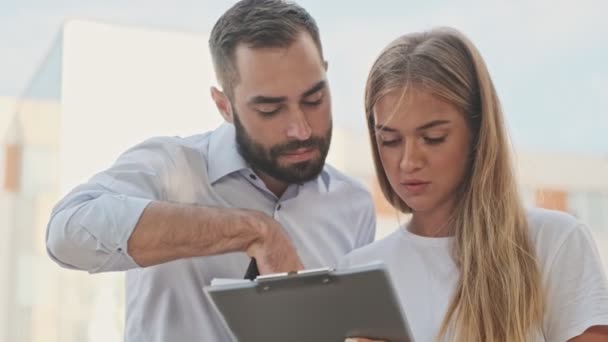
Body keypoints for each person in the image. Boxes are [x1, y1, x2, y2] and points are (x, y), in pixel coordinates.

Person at [45, 1, 376, 341]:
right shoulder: (169, 167)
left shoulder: (355, 205)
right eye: (270, 109)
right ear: (224, 106)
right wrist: (255, 232)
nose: (302, 129)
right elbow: (65, 233)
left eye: (314, 99)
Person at [342, 28, 608, 342]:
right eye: (390, 140)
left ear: (478, 132)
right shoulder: (358, 273)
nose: (408, 161)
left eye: (433, 138)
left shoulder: (555, 242)